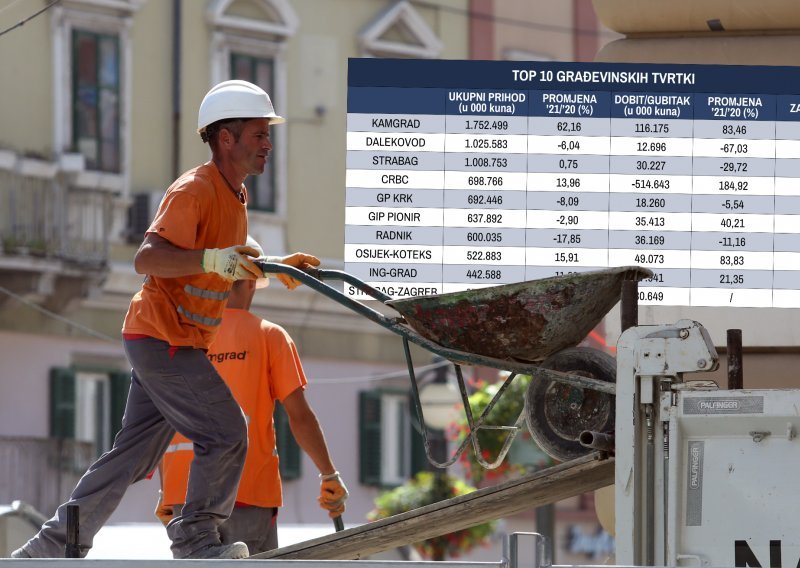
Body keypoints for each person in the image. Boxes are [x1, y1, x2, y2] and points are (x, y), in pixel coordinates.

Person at [11, 80, 321, 560]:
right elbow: (148, 258)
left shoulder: (233, 197)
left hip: (169, 341)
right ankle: (195, 539)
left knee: (130, 460)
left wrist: (275, 266)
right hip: (164, 339)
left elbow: (222, 258)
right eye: (259, 134)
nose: (267, 144)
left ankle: (49, 549)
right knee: (225, 432)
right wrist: (215, 261)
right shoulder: (193, 189)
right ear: (226, 139)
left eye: (267, 134)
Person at [154, 264, 348, 555]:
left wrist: (165, 491)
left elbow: (163, 419)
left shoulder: (179, 341)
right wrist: (328, 475)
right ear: (252, 284)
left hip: (186, 496)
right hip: (248, 490)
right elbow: (299, 416)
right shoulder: (269, 336)